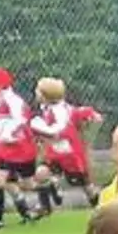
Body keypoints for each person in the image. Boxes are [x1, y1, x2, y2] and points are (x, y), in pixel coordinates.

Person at [0, 68, 39, 230]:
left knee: (28, 184)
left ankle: (48, 186)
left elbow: (20, 120)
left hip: (23, 148)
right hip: (7, 149)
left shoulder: (14, 101)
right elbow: (0, 126)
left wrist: (9, 133)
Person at [30, 77, 103, 209]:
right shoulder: (46, 109)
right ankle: (44, 206)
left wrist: (92, 117)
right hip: (54, 154)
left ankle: (99, 207)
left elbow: (60, 127)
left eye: (38, 90)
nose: (36, 93)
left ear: (47, 94)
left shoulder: (62, 110)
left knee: (86, 186)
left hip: (70, 155)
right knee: (41, 174)